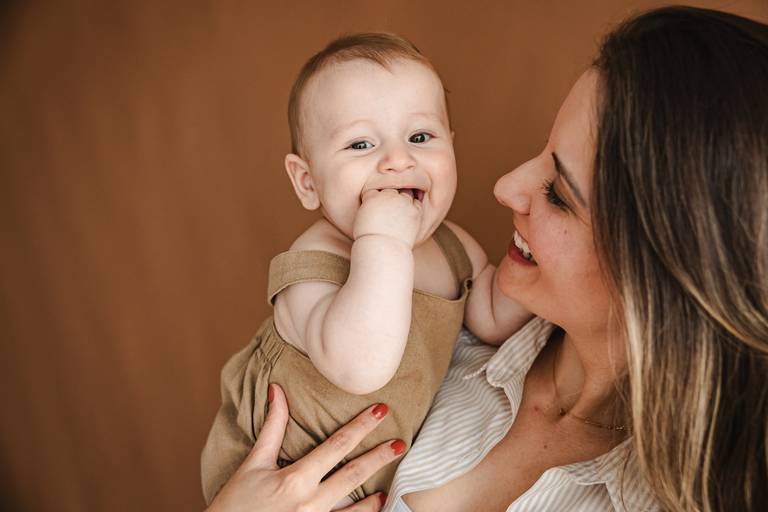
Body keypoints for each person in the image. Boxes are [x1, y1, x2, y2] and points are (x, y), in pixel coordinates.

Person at [205, 6, 768, 512]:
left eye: (558, 193)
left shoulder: (668, 497)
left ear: (661, 276)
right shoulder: (410, 312)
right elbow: (368, 355)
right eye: (361, 145)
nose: (504, 187)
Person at [200, 33, 530, 506]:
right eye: (360, 144)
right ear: (308, 181)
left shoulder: (454, 247)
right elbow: (361, 368)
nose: (398, 160)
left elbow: (495, 317)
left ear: (451, 149)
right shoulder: (315, 263)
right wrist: (384, 242)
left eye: (420, 137)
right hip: (280, 478)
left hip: (363, 480)